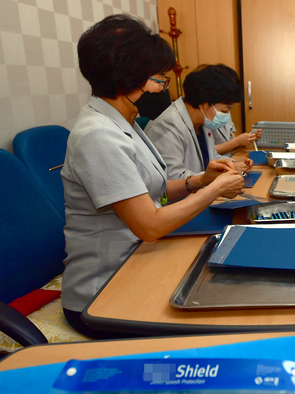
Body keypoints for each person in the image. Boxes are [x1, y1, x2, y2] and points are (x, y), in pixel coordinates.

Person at [61, 15, 245, 337]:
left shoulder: (125, 123)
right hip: (103, 292)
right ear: (125, 80)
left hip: (137, 264)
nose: (163, 88)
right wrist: (213, 190)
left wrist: (198, 181)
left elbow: (151, 190)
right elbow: (149, 224)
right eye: (158, 79)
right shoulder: (98, 136)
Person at [145, 64, 257, 180]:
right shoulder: (167, 126)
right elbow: (173, 179)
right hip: (182, 197)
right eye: (224, 110)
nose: (226, 115)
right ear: (204, 103)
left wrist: (231, 165)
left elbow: (210, 157)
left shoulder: (202, 122)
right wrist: (218, 174)